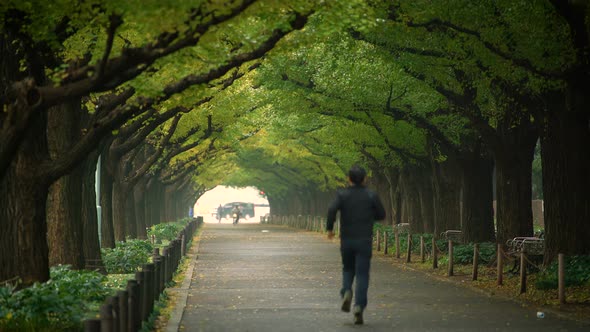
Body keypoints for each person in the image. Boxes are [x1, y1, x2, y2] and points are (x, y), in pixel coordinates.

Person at [326, 165, 386, 325]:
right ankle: (359, 306)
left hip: (347, 240)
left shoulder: (342, 194)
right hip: (364, 240)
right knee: (362, 275)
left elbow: (331, 210)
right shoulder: (371, 195)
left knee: (348, 269)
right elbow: (381, 214)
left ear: (349, 179)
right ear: (365, 179)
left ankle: (346, 291)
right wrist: (368, 215)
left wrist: (329, 229)